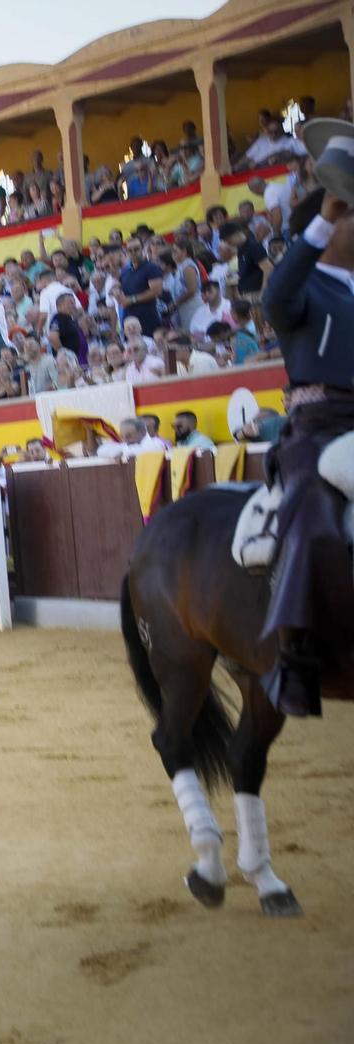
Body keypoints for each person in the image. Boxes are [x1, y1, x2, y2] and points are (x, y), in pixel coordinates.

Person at [257, 122, 354, 719]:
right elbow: (272, 301)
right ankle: (296, 655)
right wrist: (324, 211)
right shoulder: (304, 286)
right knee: (315, 512)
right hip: (317, 428)